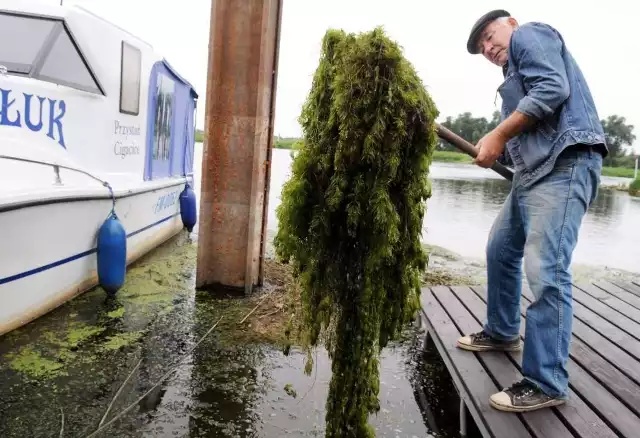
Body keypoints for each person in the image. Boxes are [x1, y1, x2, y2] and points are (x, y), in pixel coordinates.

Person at [457, 10, 608, 413]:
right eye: (482, 48)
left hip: (565, 165)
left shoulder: (531, 36)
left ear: (511, 22)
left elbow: (552, 89)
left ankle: (546, 381)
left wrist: (498, 133)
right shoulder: (510, 82)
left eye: (490, 36)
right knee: (501, 249)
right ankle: (504, 331)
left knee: (547, 271)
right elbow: (523, 132)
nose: (488, 48)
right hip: (534, 175)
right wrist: (497, 147)